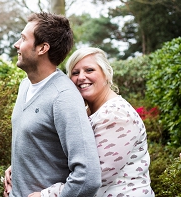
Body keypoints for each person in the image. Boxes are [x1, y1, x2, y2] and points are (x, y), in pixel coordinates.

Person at [3, 12, 101, 197]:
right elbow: (40, 144)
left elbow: (88, 177)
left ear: (42, 48)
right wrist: (15, 168)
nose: (16, 44)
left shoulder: (63, 97)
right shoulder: (25, 85)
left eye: (23, 38)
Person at [33, 47, 153, 196]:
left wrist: (46, 195)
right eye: (75, 73)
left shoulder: (116, 115)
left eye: (89, 70)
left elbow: (94, 177)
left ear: (107, 73)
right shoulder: (87, 113)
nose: (81, 77)